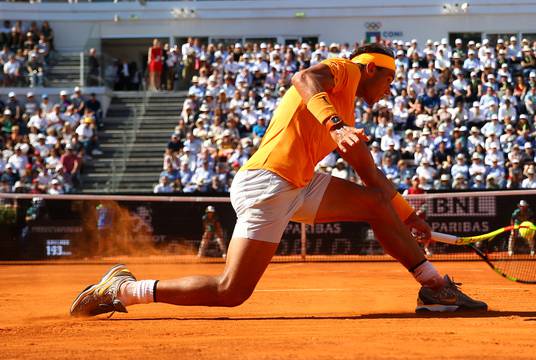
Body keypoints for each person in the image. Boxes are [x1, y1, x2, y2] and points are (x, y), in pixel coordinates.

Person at [70, 43, 487, 318]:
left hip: (299, 183)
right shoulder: (345, 71)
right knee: (231, 291)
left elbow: (371, 175)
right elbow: (303, 79)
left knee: (375, 204)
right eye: (390, 80)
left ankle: (434, 287)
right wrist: (336, 125)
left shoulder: (351, 110)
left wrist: (408, 216)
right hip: (268, 183)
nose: (389, 90)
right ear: (372, 69)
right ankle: (124, 290)